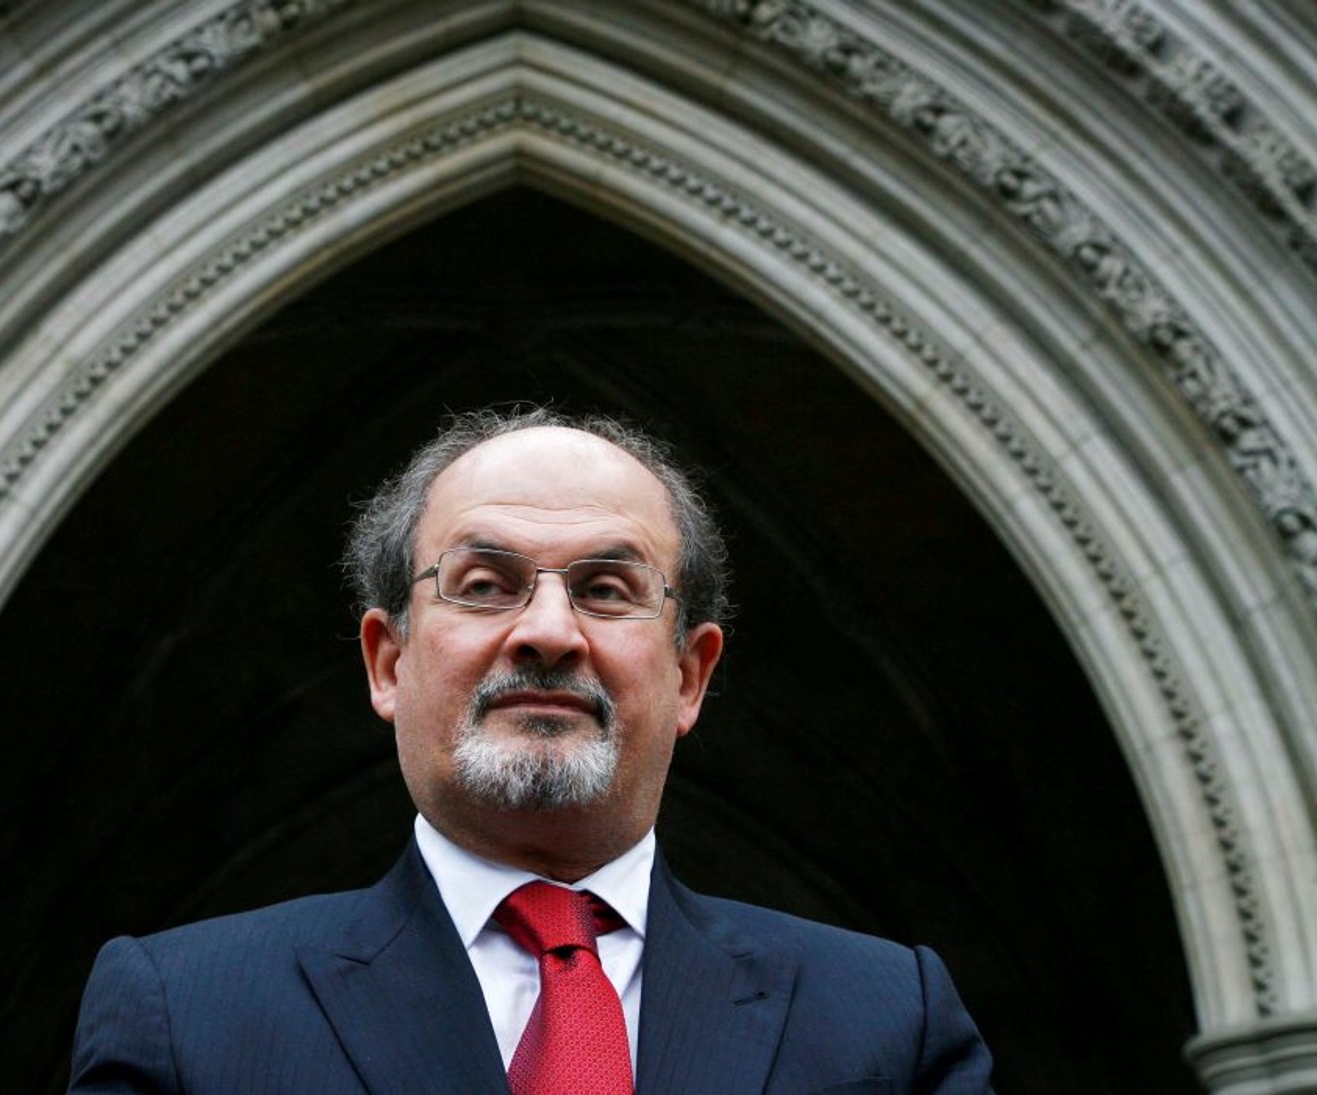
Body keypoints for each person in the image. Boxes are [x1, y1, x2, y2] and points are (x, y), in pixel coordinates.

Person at [67, 407, 994, 1093]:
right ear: (387, 662)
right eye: (483, 584)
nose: (548, 631)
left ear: (691, 675)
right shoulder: (184, 1012)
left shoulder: (889, 1018)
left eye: (607, 588)